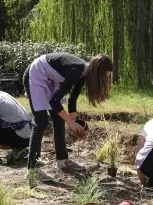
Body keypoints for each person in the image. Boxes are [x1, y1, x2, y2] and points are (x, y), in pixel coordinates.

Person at [23, 53, 114, 182]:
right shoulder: (76, 70)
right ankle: (32, 169)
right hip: (36, 74)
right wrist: (70, 122)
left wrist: (74, 121)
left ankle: (62, 160)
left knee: (59, 119)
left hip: (50, 79)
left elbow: (72, 99)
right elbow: (54, 102)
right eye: (104, 77)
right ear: (97, 73)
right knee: (41, 121)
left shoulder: (84, 72)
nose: (104, 81)